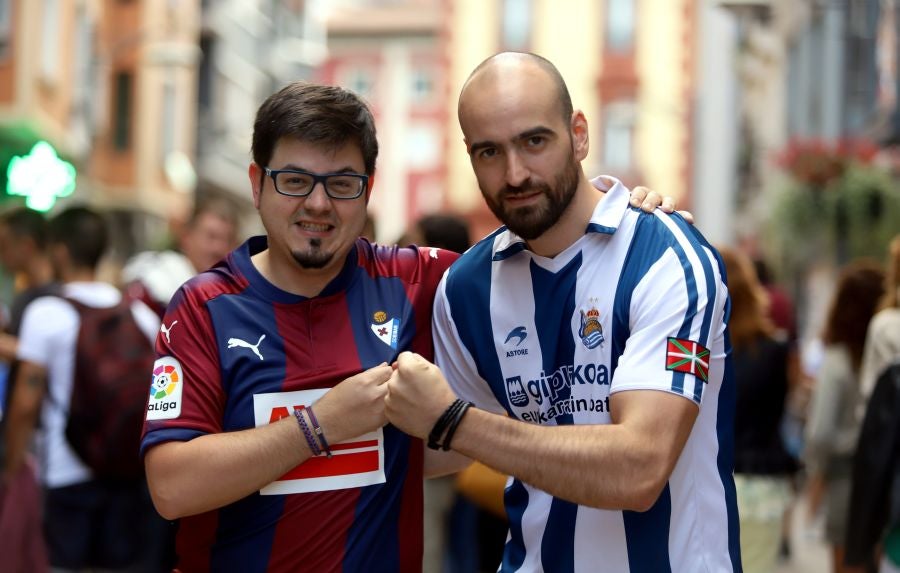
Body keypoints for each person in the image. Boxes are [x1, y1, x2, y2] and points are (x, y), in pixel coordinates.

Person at [140, 81, 678, 572]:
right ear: (257, 183)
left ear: (369, 188)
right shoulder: (204, 305)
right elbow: (171, 486)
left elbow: (549, 248)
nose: (318, 204)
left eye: (342, 183)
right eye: (295, 181)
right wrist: (318, 425)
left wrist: (634, 218)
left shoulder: (423, 281)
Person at [383, 52, 740, 572]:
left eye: (534, 141)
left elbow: (639, 470)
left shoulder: (665, 258)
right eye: (489, 151)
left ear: (578, 134)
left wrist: (454, 421)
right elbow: (438, 450)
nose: (515, 173)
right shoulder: (467, 287)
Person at [3, 206, 160, 571]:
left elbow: (27, 401)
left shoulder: (47, 312)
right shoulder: (139, 315)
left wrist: (11, 468)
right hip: (126, 471)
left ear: (59, 250)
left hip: (65, 471)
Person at [804, 261, 885, 573]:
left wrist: (817, 474)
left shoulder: (837, 362)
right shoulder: (884, 356)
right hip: (883, 485)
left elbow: (820, 434)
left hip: (845, 486)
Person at [720, 247, 797, 573]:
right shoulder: (778, 350)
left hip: (713, 479)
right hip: (763, 483)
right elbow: (793, 404)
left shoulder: (702, 356)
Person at [122, 196, 240, 317]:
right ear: (187, 238)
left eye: (229, 240)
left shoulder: (231, 300)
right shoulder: (156, 283)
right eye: (211, 237)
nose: (219, 248)